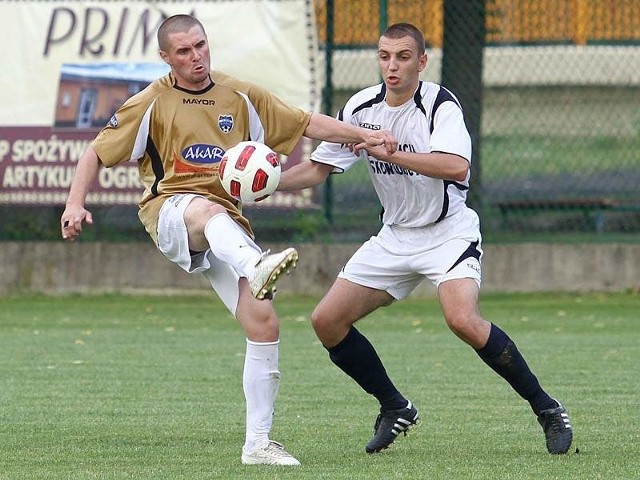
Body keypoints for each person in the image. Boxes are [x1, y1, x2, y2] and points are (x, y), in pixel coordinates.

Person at [60, 14, 395, 466]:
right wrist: (75, 204)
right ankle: (256, 265)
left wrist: (365, 134)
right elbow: (95, 153)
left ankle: (257, 445)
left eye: (200, 45)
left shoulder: (239, 94)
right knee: (209, 209)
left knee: (264, 325)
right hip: (172, 212)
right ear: (166, 57)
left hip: (226, 227)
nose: (196, 56)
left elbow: (308, 123)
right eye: (184, 51)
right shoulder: (151, 101)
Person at [277, 23, 573, 455]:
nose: (391, 66)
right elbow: (317, 171)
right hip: (395, 236)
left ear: (421, 61)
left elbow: (455, 167)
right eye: (384, 56)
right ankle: (395, 406)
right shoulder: (360, 107)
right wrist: (263, 186)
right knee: (326, 321)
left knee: (462, 320)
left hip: (447, 233)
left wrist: (390, 152)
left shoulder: (440, 104)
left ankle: (547, 408)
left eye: (401, 57)